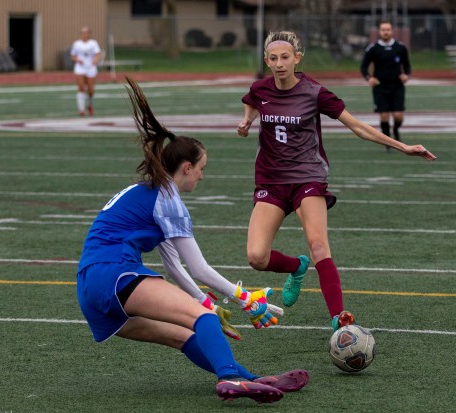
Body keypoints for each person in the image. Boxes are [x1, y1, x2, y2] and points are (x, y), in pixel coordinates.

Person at [76, 76, 309, 403]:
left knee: (183, 334)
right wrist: (245, 299)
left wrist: (204, 301)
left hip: (89, 288)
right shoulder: (169, 201)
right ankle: (230, 378)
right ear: (186, 167)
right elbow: (198, 268)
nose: (202, 175)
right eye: (201, 168)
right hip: (115, 275)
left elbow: (174, 266)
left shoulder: (147, 192)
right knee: (203, 320)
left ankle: (254, 379)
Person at [237, 31, 435, 333]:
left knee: (318, 245)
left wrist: (403, 147)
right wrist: (247, 120)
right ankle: (295, 266)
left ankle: (339, 318)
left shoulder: (315, 92)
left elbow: (357, 126)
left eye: (285, 58)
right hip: (271, 180)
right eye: (273, 58)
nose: (279, 64)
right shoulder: (260, 88)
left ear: (297, 58)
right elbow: (252, 101)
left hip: (308, 177)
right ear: (266, 60)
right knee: (256, 257)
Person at [360, 20, 411, 150]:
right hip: (380, 87)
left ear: (392, 31)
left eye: (388, 29)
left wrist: (406, 75)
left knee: (398, 115)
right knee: (384, 115)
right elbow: (364, 66)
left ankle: (396, 130)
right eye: (383, 30)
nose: (386, 32)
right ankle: (388, 140)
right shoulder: (373, 48)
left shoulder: (400, 47)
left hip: (397, 86)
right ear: (379, 31)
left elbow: (407, 65)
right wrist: (368, 78)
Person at [70, 27, 101, 116]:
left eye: (86, 33)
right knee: (81, 87)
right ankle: (81, 109)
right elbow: (73, 56)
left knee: (90, 89)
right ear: (81, 34)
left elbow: (98, 54)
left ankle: (90, 105)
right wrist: (77, 60)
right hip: (80, 68)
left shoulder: (93, 43)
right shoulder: (76, 44)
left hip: (91, 68)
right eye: (83, 33)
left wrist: (96, 60)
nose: (85, 35)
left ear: (89, 34)